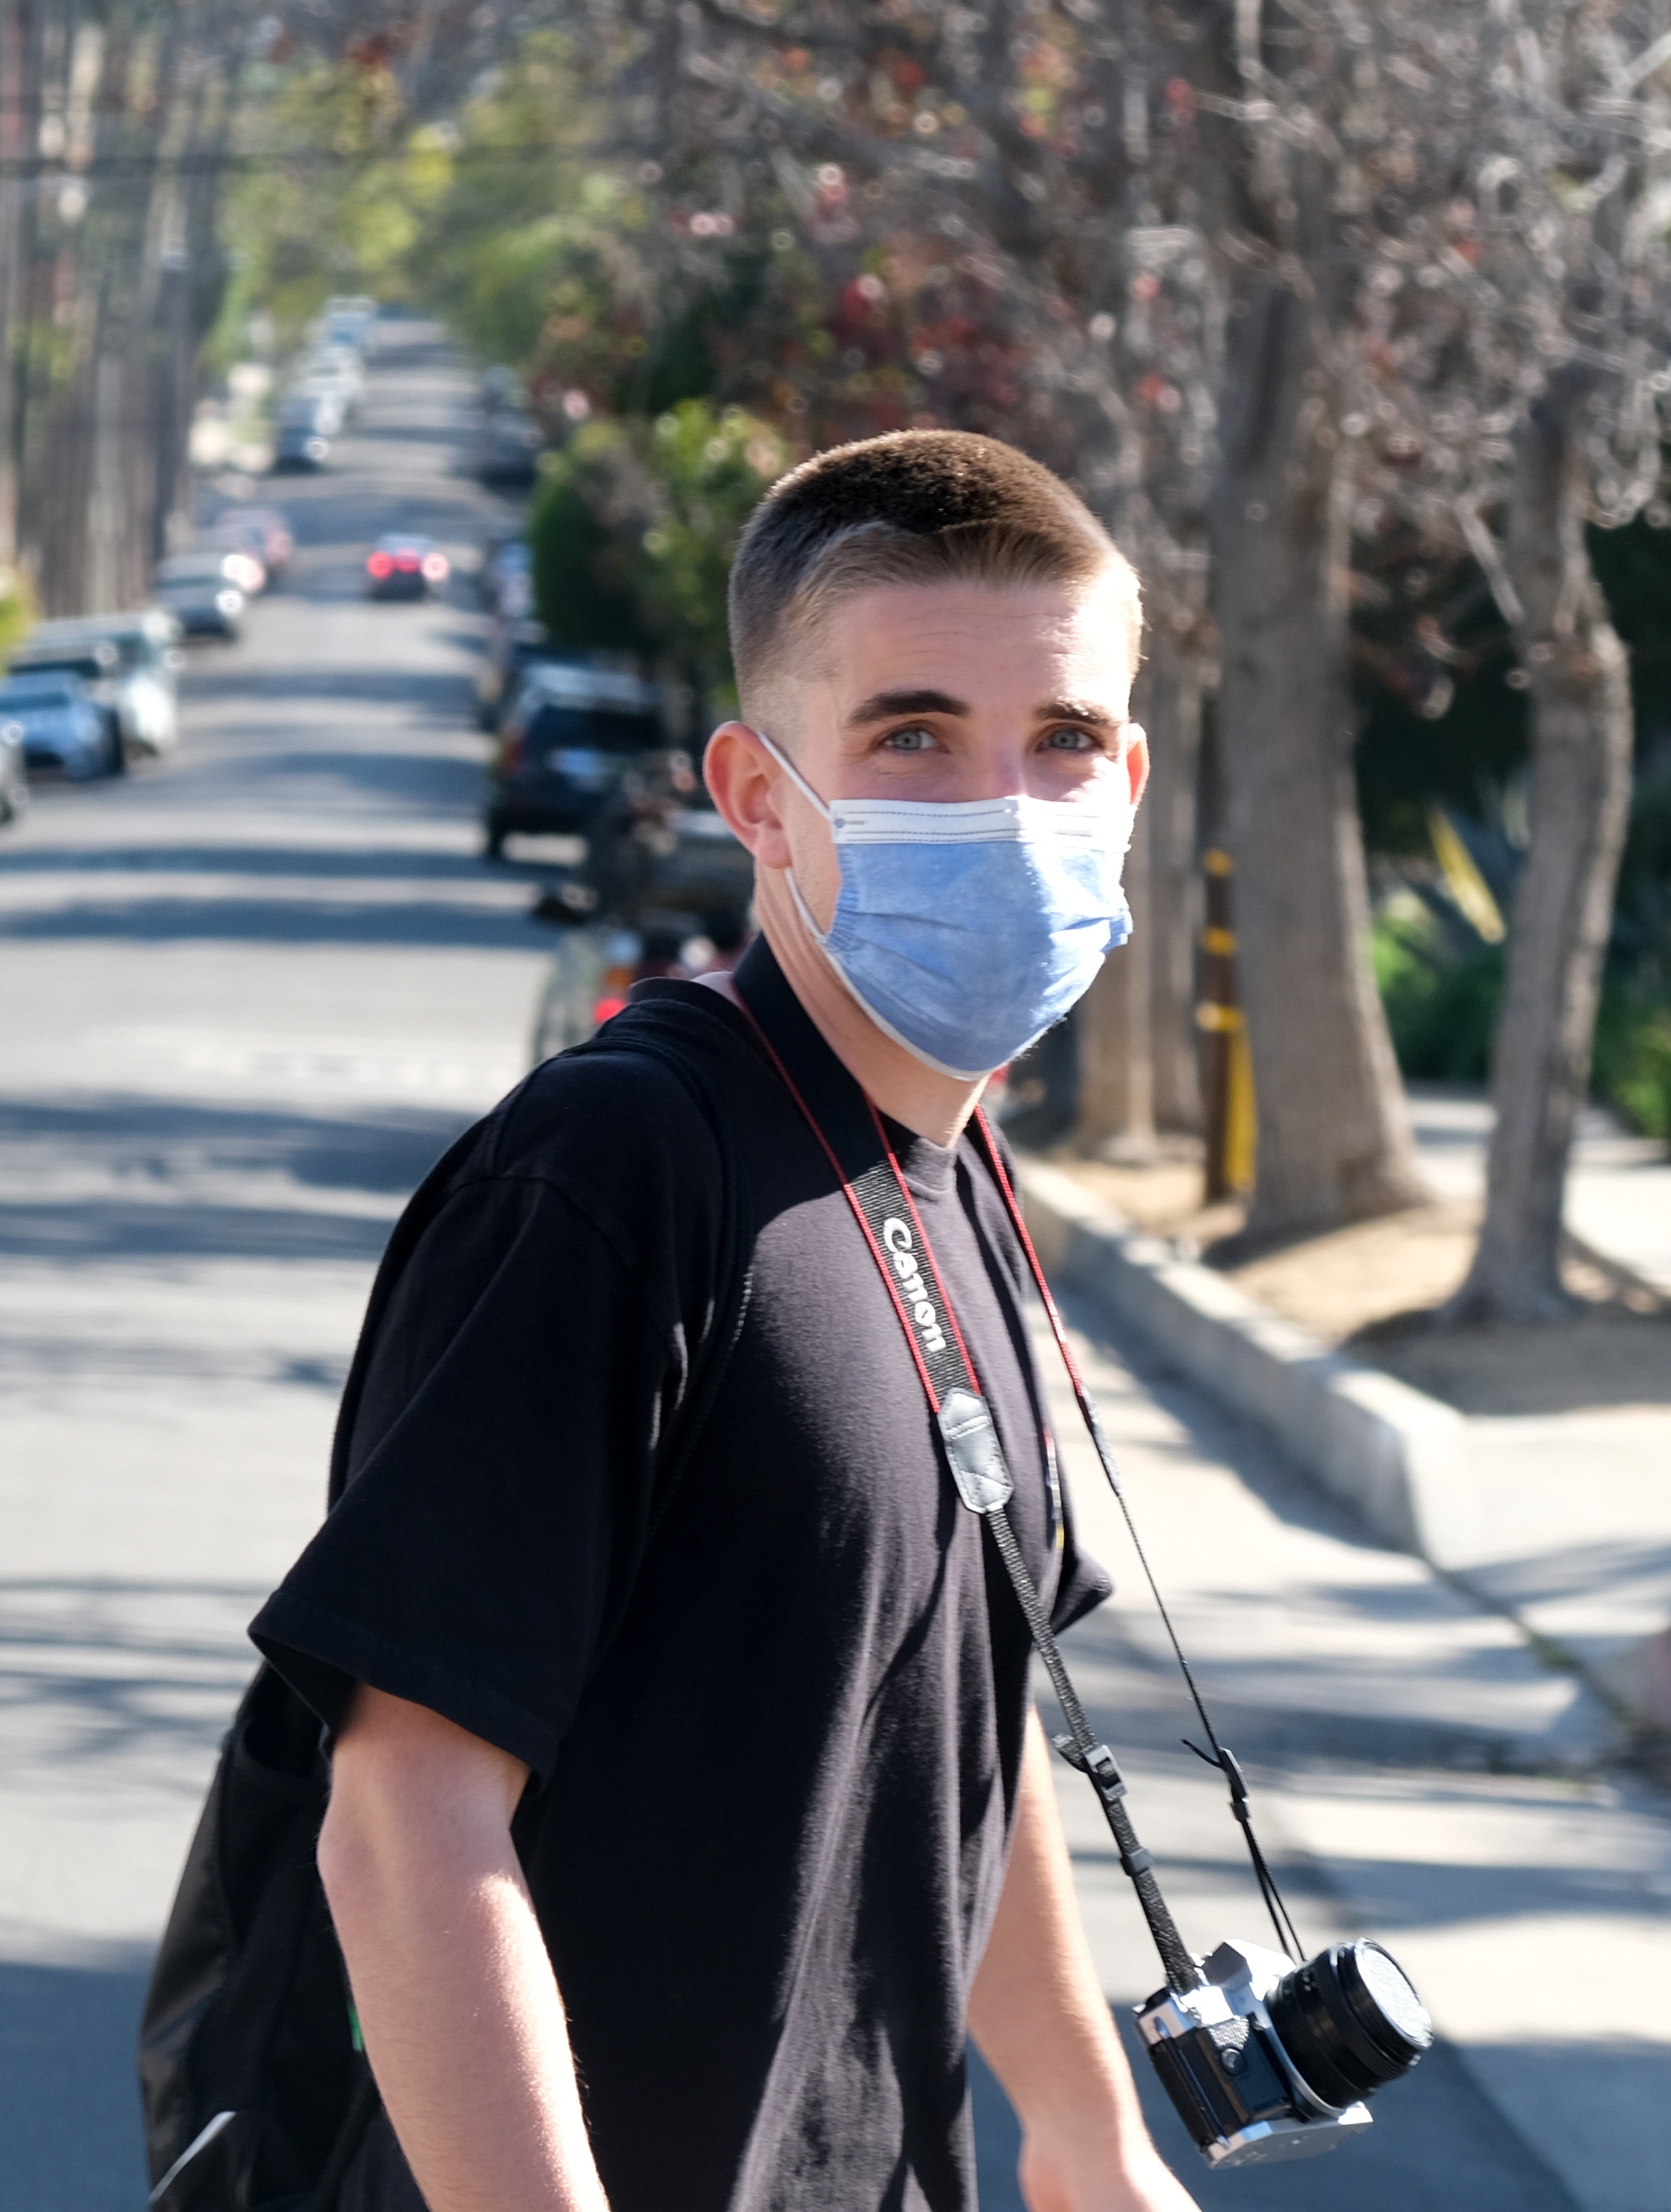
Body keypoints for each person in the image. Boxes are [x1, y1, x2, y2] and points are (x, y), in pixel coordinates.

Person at [250, 430, 1201, 2212]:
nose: (1005, 806)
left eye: (1064, 740)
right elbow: (403, 1821)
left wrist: (1091, 2133)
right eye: (913, 737)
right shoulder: (618, 1171)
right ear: (760, 797)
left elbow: (958, 1720)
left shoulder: (955, 1173)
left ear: (1130, 775)